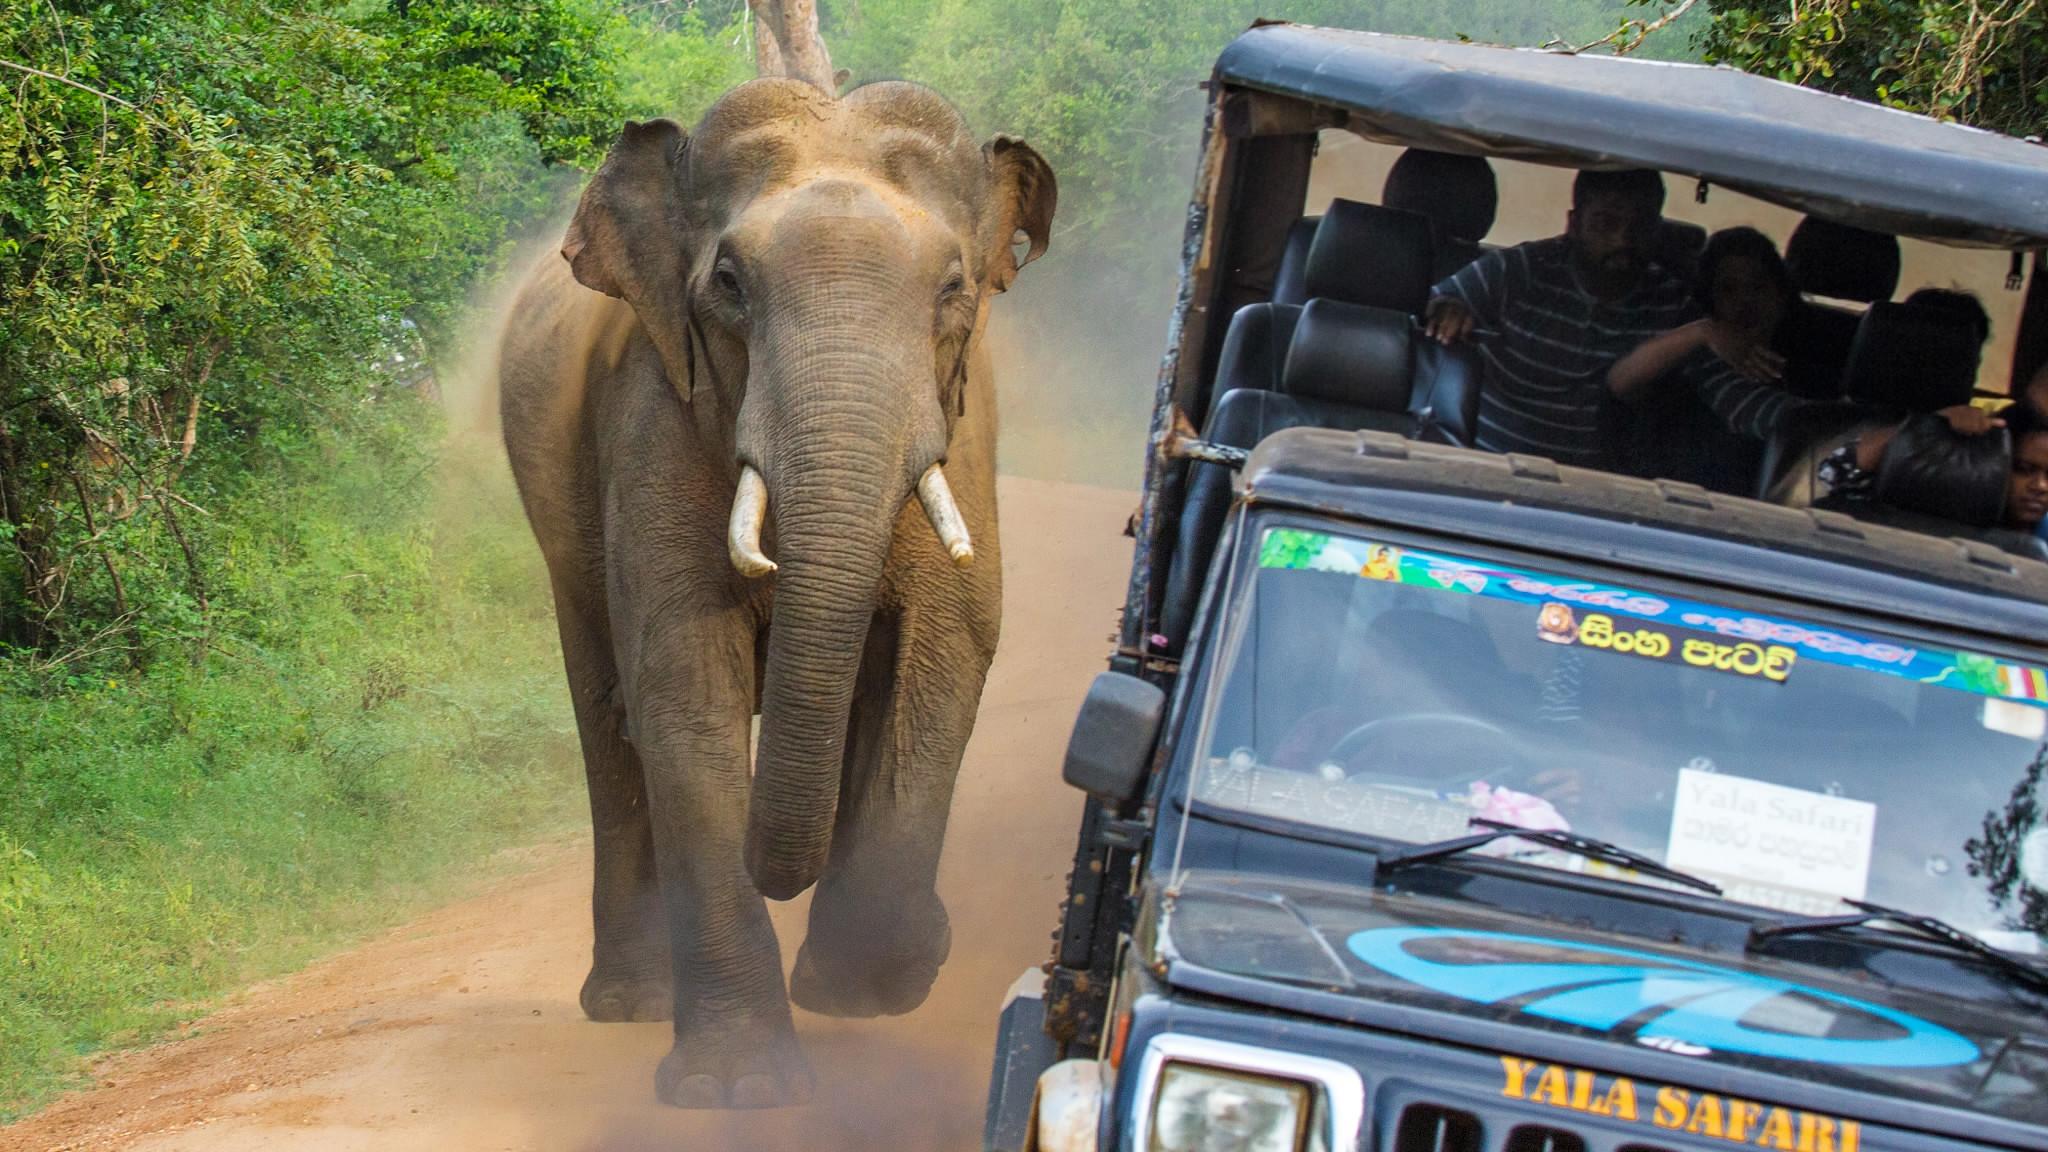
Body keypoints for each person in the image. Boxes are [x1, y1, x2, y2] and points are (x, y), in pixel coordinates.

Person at [1425, 168, 1694, 468]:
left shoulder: (1672, 303)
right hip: (1487, 467)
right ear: (1574, 224)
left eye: (1640, 226)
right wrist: (1446, 307)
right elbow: (1426, 303)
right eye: (1606, 224)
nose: (1623, 241)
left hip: (1596, 489)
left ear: (1658, 229)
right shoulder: (1520, 271)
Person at [1605, 227, 1811, 442]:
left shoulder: (1818, 362)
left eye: (1758, 287)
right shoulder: (1697, 364)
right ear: (1710, 300)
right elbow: (1620, 382)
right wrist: (1702, 332)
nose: (1745, 302)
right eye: (1728, 289)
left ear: (1781, 294)